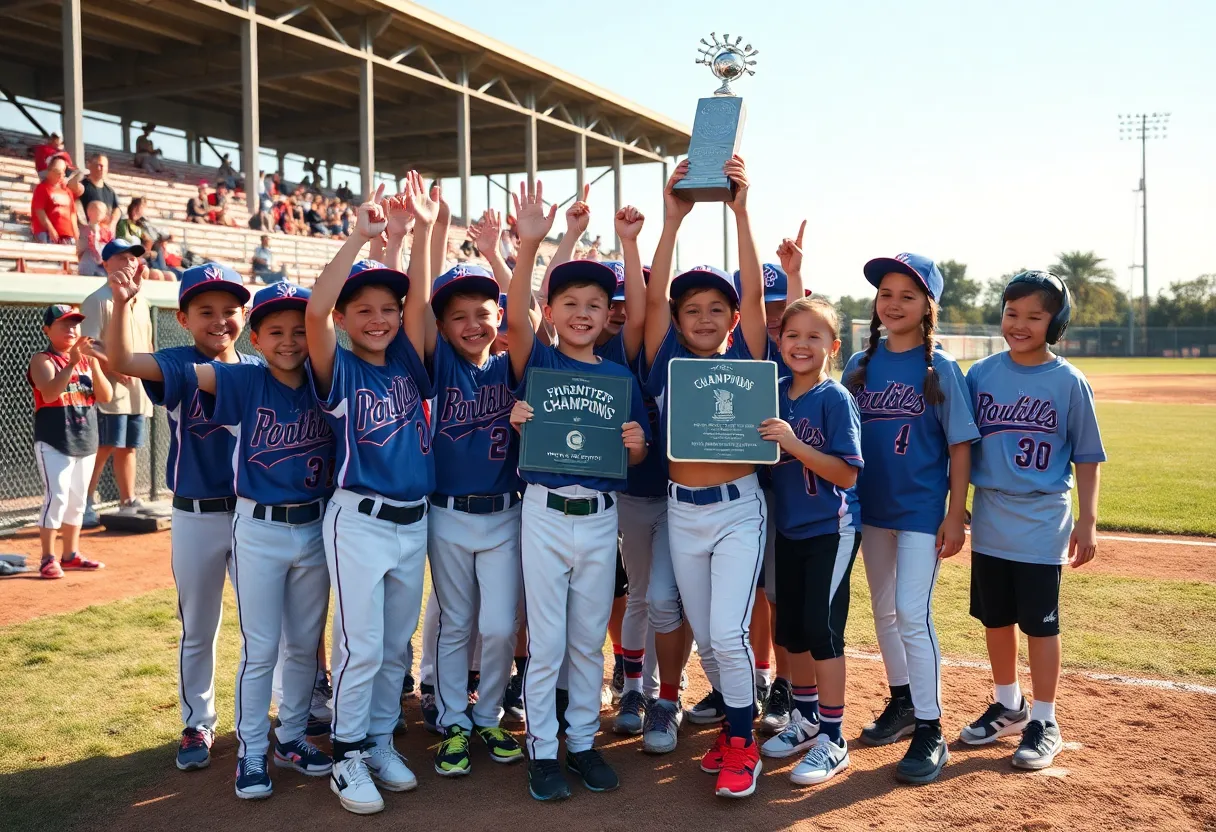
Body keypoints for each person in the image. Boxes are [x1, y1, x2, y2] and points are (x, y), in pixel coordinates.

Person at [505, 178, 650, 803]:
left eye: (595, 302)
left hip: (598, 515)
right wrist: (533, 245)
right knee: (548, 639)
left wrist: (637, 441)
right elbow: (513, 315)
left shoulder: (618, 374)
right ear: (553, 310)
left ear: (606, 312)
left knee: (589, 637)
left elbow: (636, 450)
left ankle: (583, 742)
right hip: (542, 511)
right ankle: (543, 751)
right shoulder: (538, 361)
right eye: (570, 302)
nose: (583, 311)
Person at [305, 175, 436, 816]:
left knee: (394, 644)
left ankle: (380, 738)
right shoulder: (340, 364)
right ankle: (346, 754)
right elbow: (311, 313)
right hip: (358, 517)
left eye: (386, 309)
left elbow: (418, 305)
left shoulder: (408, 363)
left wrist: (417, 233)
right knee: (360, 643)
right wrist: (359, 236)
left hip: (413, 523)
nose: (379, 319)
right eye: (364, 311)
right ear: (344, 320)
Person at [639, 156, 769, 800]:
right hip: (682, 510)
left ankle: (745, 744)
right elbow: (659, 297)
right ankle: (733, 726)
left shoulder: (746, 357)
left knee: (725, 632)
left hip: (738, 509)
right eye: (693, 308)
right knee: (708, 635)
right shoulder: (665, 357)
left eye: (718, 308)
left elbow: (752, 297)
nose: (706, 317)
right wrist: (672, 221)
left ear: (732, 317)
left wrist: (740, 212)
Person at [184, 282, 336, 800]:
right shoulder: (246, 379)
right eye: (276, 331)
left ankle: (291, 736)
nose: (290, 341)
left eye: (300, 330)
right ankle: (251, 748)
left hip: (316, 527)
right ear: (255, 337)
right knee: (262, 648)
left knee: (303, 645)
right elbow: (178, 372)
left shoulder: (326, 381)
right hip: (259, 529)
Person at [105, 259, 257, 772]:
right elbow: (122, 360)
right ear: (183, 317)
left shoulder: (260, 369)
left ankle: (268, 721)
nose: (220, 320)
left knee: (262, 626)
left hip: (256, 516)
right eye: (206, 310)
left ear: (247, 313)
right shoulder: (177, 363)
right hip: (196, 514)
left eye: (231, 310)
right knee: (199, 626)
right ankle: (199, 722)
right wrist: (124, 303)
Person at [959, 271, 1105, 770]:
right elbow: (960, 446)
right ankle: (1009, 704)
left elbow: (1087, 456)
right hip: (992, 515)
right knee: (996, 619)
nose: (1019, 324)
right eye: (1011, 312)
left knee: (1041, 625)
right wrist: (956, 502)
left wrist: (1088, 520)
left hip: (1043, 518)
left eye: (1034, 316)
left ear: (1055, 322)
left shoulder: (1068, 381)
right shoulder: (981, 374)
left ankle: (1045, 718)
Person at [842, 252, 979, 785]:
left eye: (907, 295)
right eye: (885, 294)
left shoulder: (939, 367)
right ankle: (901, 701)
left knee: (911, 613)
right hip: (871, 508)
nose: (893, 303)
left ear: (928, 306)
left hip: (922, 510)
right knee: (882, 611)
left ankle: (931, 728)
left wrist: (955, 514)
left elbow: (961, 446)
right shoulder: (860, 364)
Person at [423, 199, 528, 778]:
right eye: (458, 315)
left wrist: (496, 254)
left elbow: (524, 318)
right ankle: (452, 720)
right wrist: (433, 232)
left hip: (504, 513)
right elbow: (418, 305)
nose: (472, 324)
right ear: (442, 326)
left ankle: (487, 712)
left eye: (483, 313)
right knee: (457, 622)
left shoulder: (510, 366)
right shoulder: (438, 364)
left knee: (497, 625)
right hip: (447, 514)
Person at [757, 273, 864, 788]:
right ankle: (803, 721)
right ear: (780, 341)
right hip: (790, 526)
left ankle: (833, 737)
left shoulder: (834, 397)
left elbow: (846, 473)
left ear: (833, 345)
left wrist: (795, 444)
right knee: (791, 630)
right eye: (792, 335)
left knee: (822, 631)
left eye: (814, 336)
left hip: (831, 527)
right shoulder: (771, 392)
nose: (801, 344)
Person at [28, 305, 113, 578]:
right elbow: (51, 393)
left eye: (75, 324)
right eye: (64, 324)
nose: (72, 329)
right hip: (55, 440)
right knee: (58, 498)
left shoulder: (87, 360)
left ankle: (70, 555)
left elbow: (106, 396)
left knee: (77, 501)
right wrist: (74, 363)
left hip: (85, 438)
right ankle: (47, 557)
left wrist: (94, 363)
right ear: (47, 330)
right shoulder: (43, 360)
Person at [79, 239, 156, 527]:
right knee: (105, 445)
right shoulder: (98, 299)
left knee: (130, 446)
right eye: (122, 257)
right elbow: (86, 344)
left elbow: (146, 343)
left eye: (133, 257)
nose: (129, 262)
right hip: (110, 387)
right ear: (106, 263)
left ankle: (128, 500)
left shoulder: (143, 300)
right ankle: (84, 500)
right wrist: (114, 366)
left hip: (137, 389)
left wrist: (146, 372)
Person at [30, 156, 78, 245]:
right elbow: (39, 211)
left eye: (63, 171)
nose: (60, 174)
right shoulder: (42, 188)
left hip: (67, 235)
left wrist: (75, 232)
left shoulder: (67, 191)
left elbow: (73, 213)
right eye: (57, 171)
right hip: (48, 233)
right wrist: (50, 229)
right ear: (49, 171)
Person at [73, 154, 120, 236]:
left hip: (106, 237)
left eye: (104, 166)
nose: (102, 169)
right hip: (88, 236)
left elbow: (116, 209)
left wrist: (113, 223)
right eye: (99, 165)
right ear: (89, 165)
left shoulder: (110, 191)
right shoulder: (81, 187)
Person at [77, 201, 113, 277]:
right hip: (88, 264)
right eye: (100, 210)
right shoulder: (83, 230)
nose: (103, 213)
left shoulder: (105, 231)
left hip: (103, 266)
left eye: (104, 211)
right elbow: (80, 250)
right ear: (89, 212)